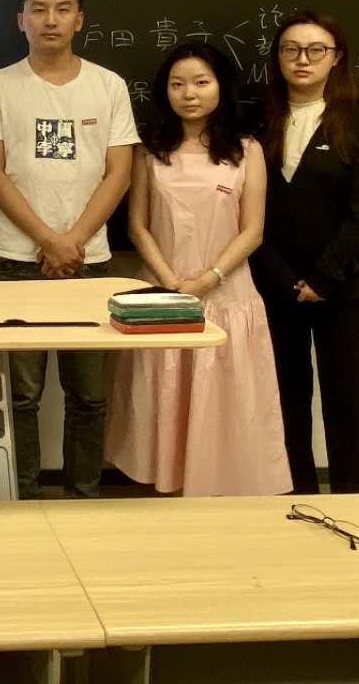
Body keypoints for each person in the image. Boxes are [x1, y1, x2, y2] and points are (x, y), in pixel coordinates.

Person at [0, 0, 139, 499]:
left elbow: (119, 173)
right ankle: (22, 499)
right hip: (18, 261)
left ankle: (82, 498)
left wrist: (73, 241)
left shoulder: (108, 86)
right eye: (38, 9)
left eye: (63, 9)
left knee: (88, 395)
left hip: (90, 263)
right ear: (20, 19)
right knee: (20, 396)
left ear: (79, 19)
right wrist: (48, 239)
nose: (50, 20)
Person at [104, 43, 291, 496]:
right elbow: (137, 226)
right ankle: (164, 487)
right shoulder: (150, 152)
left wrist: (208, 279)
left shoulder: (247, 150)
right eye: (178, 84)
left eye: (201, 82)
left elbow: (252, 231)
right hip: (163, 296)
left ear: (221, 87)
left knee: (222, 398)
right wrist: (171, 282)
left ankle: (219, 489)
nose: (189, 94)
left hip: (226, 294)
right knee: (162, 395)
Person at [251, 9, 359, 498]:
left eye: (316, 50)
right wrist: (283, 277)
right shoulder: (259, 118)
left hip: (345, 291)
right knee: (285, 404)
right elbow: (247, 210)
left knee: (348, 407)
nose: (302, 60)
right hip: (277, 288)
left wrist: (324, 279)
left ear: (337, 58)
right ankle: (297, 501)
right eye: (290, 49)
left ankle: (356, 506)